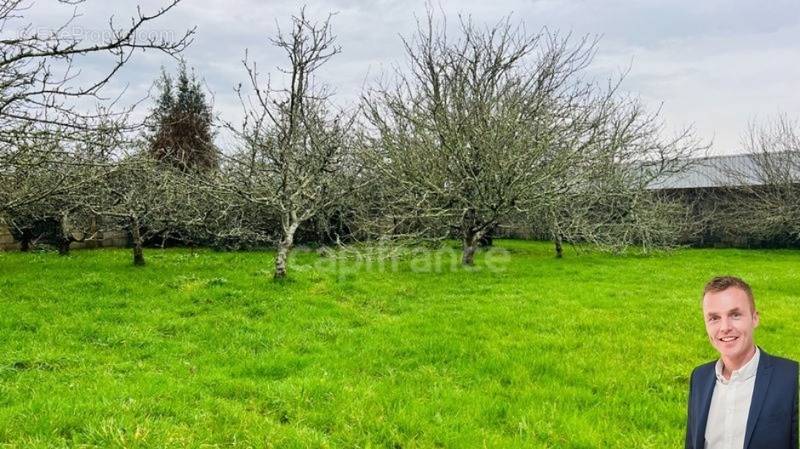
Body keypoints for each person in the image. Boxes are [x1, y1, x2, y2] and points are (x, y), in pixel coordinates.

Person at [686, 276, 798, 449]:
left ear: (755, 318)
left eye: (735, 315)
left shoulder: (791, 377)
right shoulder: (699, 377)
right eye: (714, 318)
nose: (725, 327)